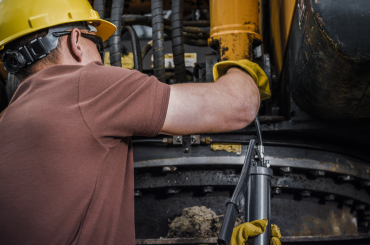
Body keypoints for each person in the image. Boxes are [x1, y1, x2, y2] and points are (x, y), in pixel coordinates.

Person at [0, 0, 279, 244]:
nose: (103, 57)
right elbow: (239, 105)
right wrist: (240, 67)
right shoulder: (89, 86)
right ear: (75, 40)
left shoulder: (6, 120)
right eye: (98, 44)